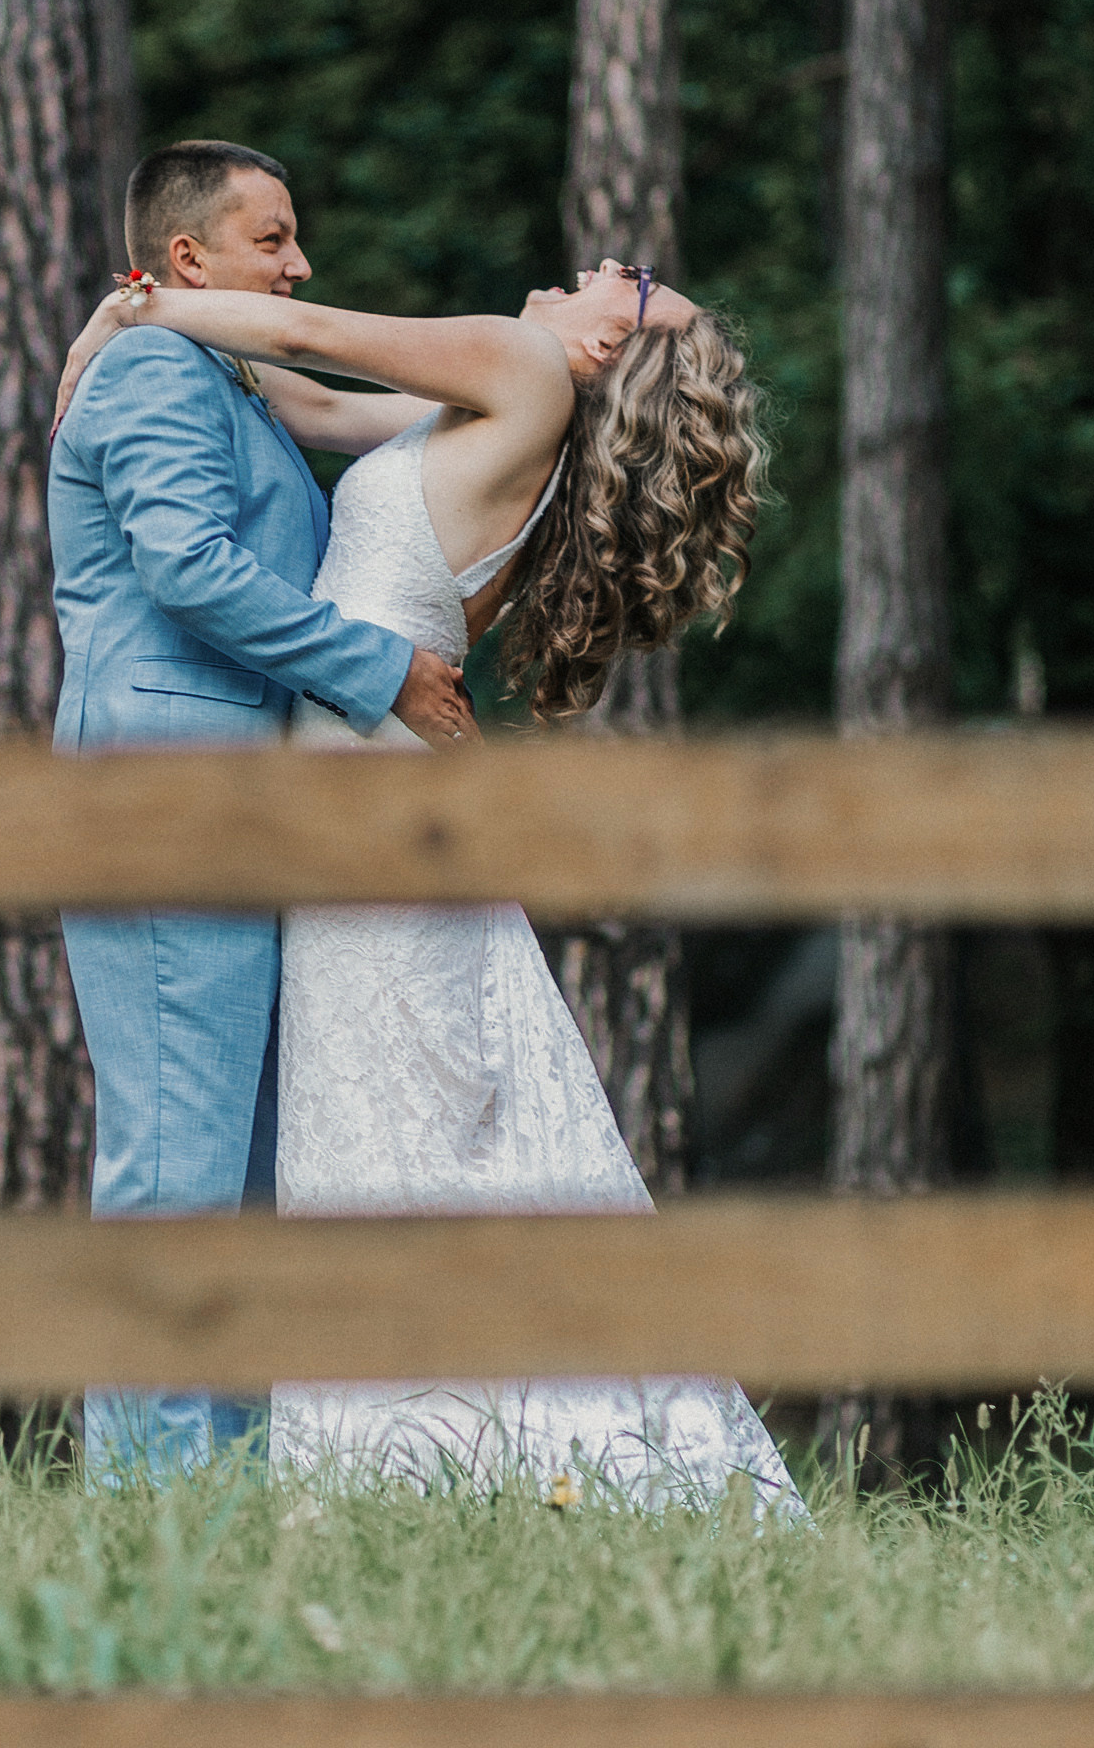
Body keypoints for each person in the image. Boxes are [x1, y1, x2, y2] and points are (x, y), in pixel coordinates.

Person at [56, 242, 804, 1515]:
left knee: (390, 1102)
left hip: (362, 781)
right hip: (379, 775)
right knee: (414, 1101)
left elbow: (310, 338)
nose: (606, 263)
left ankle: (412, 1445)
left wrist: (131, 308)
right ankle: (438, 1435)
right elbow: (311, 403)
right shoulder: (517, 415)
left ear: (606, 346)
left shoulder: (518, 364)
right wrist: (154, 337)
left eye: (630, 284)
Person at [47, 140, 480, 1482]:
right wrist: (380, 670)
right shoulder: (157, 372)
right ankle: (149, 1507)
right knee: (173, 1174)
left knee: (230, 1174)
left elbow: (359, 425)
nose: (299, 264)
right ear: (190, 257)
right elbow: (186, 567)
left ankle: (223, 1495)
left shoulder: (212, 369)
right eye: (273, 239)